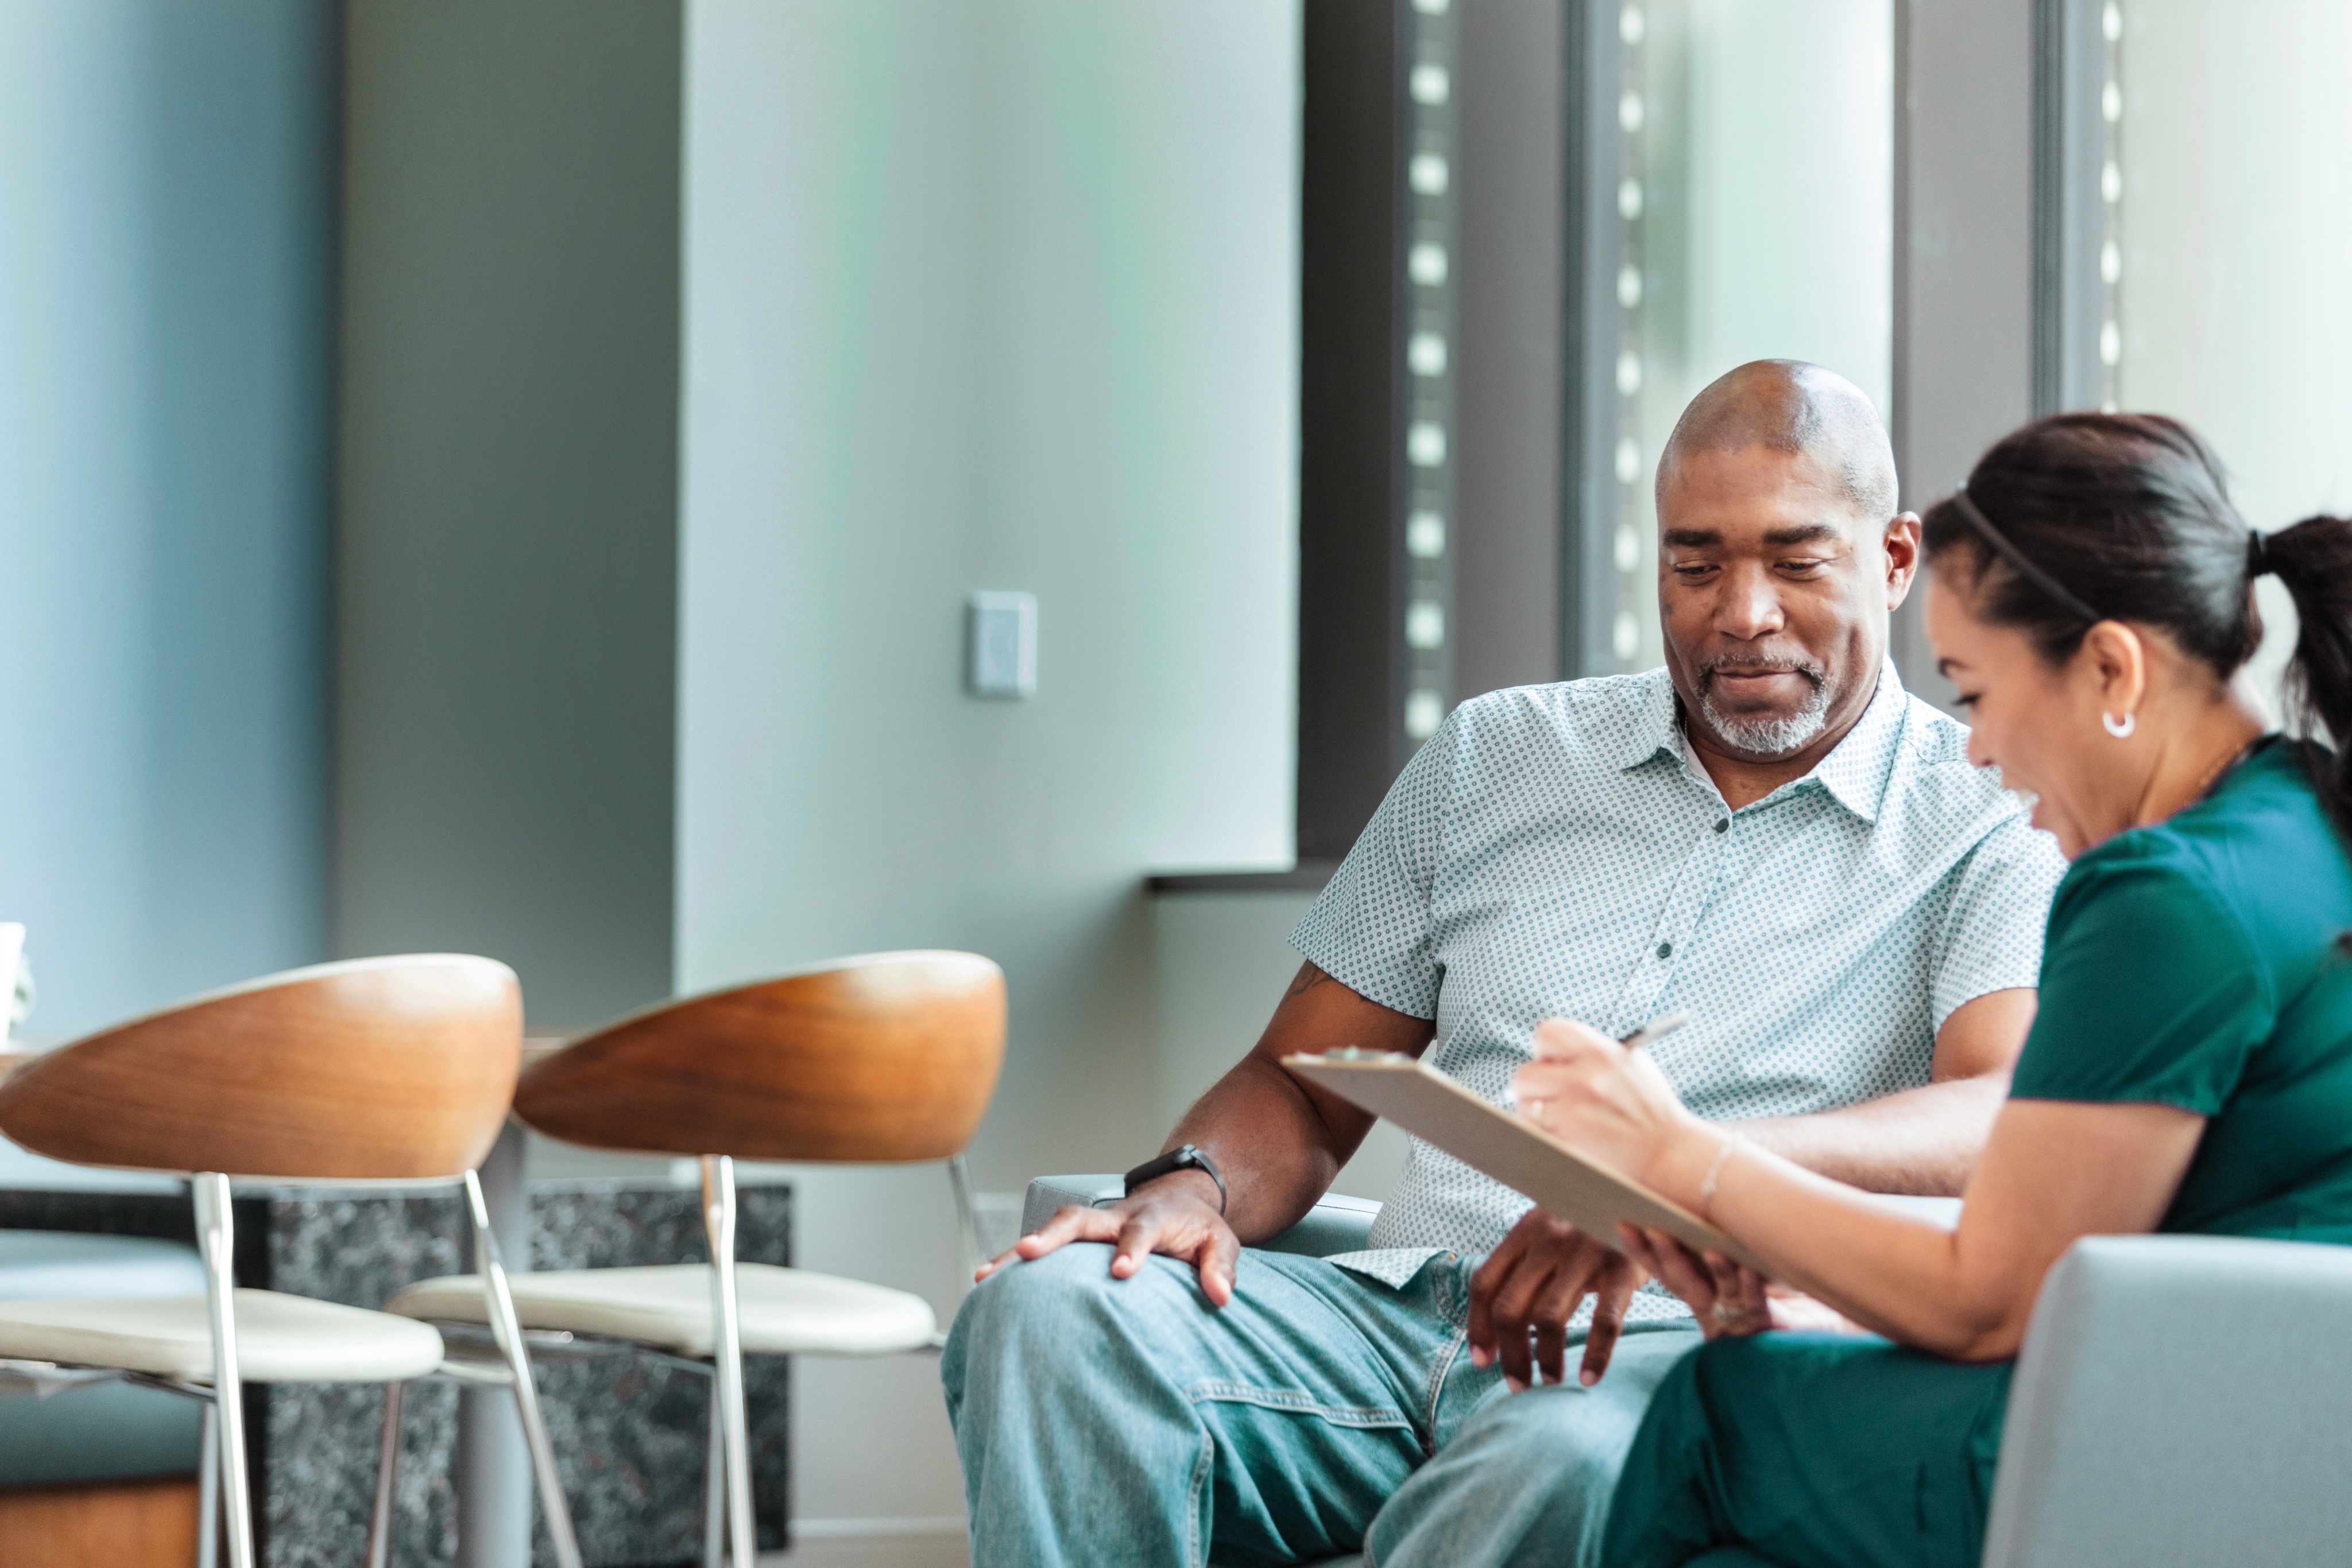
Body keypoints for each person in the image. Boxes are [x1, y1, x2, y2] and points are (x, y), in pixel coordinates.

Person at [939, 361, 2068, 1568]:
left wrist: (1666, 1187)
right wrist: (1189, 1184)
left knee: (1566, 1465)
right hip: (1384, 1320)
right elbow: (1299, 1081)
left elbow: (1989, 1115)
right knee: (1051, 1311)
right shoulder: (1497, 753)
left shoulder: (1987, 814)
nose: (1741, 611)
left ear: (1892, 559)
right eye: (1694, 564)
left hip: (1656, 1351)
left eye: (1795, 561)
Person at [1511, 411, 2352, 1568]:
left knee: (1713, 1413)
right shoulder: (2308, 815)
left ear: (2110, 667)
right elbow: (2087, 1227)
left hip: (2174, 1433)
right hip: (2264, 1412)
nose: (1974, 754)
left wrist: (1670, 1154)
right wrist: (1832, 1291)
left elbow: (1986, 1301)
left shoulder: (2164, 894)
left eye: (1970, 693)